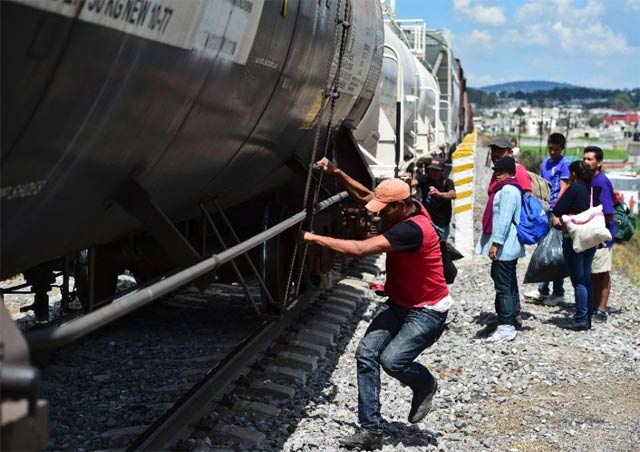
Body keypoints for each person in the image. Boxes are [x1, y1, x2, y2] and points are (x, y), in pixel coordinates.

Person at [303, 157, 452, 450]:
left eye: (384, 211)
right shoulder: (407, 207)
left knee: (392, 361)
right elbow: (364, 195)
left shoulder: (410, 230)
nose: (378, 215)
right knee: (366, 354)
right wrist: (338, 171)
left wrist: (311, 238)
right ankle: (371, 430)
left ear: (398, 207)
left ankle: (424, 383)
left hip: (426, 311)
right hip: (399, 302)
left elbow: (359, 249)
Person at [476, 156, 525, 342]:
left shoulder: (508, 190)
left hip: (505, 246)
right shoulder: (510, 189)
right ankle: (508, 319)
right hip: (509, 246)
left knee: (503, 285)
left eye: (500, 171)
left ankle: (506, 325)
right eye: (495, 171)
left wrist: (495, 243)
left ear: (510, 173)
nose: (497, 175)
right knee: (508, 282)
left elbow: (504, 219)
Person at [551, 160, 600, 331]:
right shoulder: (592, 189)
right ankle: (587, 317)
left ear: (573, 174)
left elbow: (558, 210)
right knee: (586, 278)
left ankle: (581, 319)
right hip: (590, 238)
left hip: (574, 238)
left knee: (578, 280)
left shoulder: (575, 188)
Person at [525, 133, 570, 305]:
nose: (552, 152)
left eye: (556, 149)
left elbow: (564, 187)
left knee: (556, 251)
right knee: (543, 249)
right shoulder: (545, 162)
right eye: (550, 148)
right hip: (544, 208)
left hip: (556, 211)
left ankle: (558, 291)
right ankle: (543, 289)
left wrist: (558, 211)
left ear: (561, 149)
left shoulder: (564, 165)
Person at [582, 146, 615, 322]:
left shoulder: (600, 182)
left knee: (602, 273)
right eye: (584, 159)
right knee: (593, 272)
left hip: (602, 235)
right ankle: (595, 305)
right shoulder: (589, 180)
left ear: (599, 163)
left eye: (589, 159)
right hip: (592, 234)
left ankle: (601, 309)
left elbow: (608, 213)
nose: (586, 162)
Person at [411, 158, 457, 240]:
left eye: (436, 170)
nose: (433, 173)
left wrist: (439, 194)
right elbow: (412, 183)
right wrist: (406, 179)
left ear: (442, 171)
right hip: (427, 221)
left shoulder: (447, 182)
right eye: (431, 170)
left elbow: (452, 195)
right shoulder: (425, 179)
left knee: (441, 247)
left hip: (441, 223)